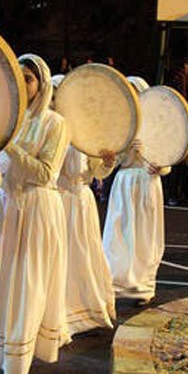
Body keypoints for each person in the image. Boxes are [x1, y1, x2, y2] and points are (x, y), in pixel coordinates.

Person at [0, 53, 70, 374]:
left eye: (29, 78)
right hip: (6, 208)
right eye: (17, 76)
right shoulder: (5, 120)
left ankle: (17, 366)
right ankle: (7, 351)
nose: (22, 83)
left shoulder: (54, 123)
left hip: (37, 209)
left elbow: (47, 173)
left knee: (28, 286)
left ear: (42, 84)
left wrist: (11, 147)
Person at [51, 75, 117, 335]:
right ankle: (57, 312)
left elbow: (96, 171)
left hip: (79, 202)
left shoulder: (85, 130)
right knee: (57, 257)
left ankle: (82, 308)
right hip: (55, 201)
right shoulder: (46, 127)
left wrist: (108, 163)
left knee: (82, 254)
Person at [102, 76, 170, 307]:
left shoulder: (155, 124)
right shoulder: (120, 123)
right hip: (124, 183)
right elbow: (111, 160)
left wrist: (159, 165)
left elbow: (166, 158)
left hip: (147, 182)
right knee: (118, 234)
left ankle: (143, 287)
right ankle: (114, 283)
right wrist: (121, 151)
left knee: (144, 236)